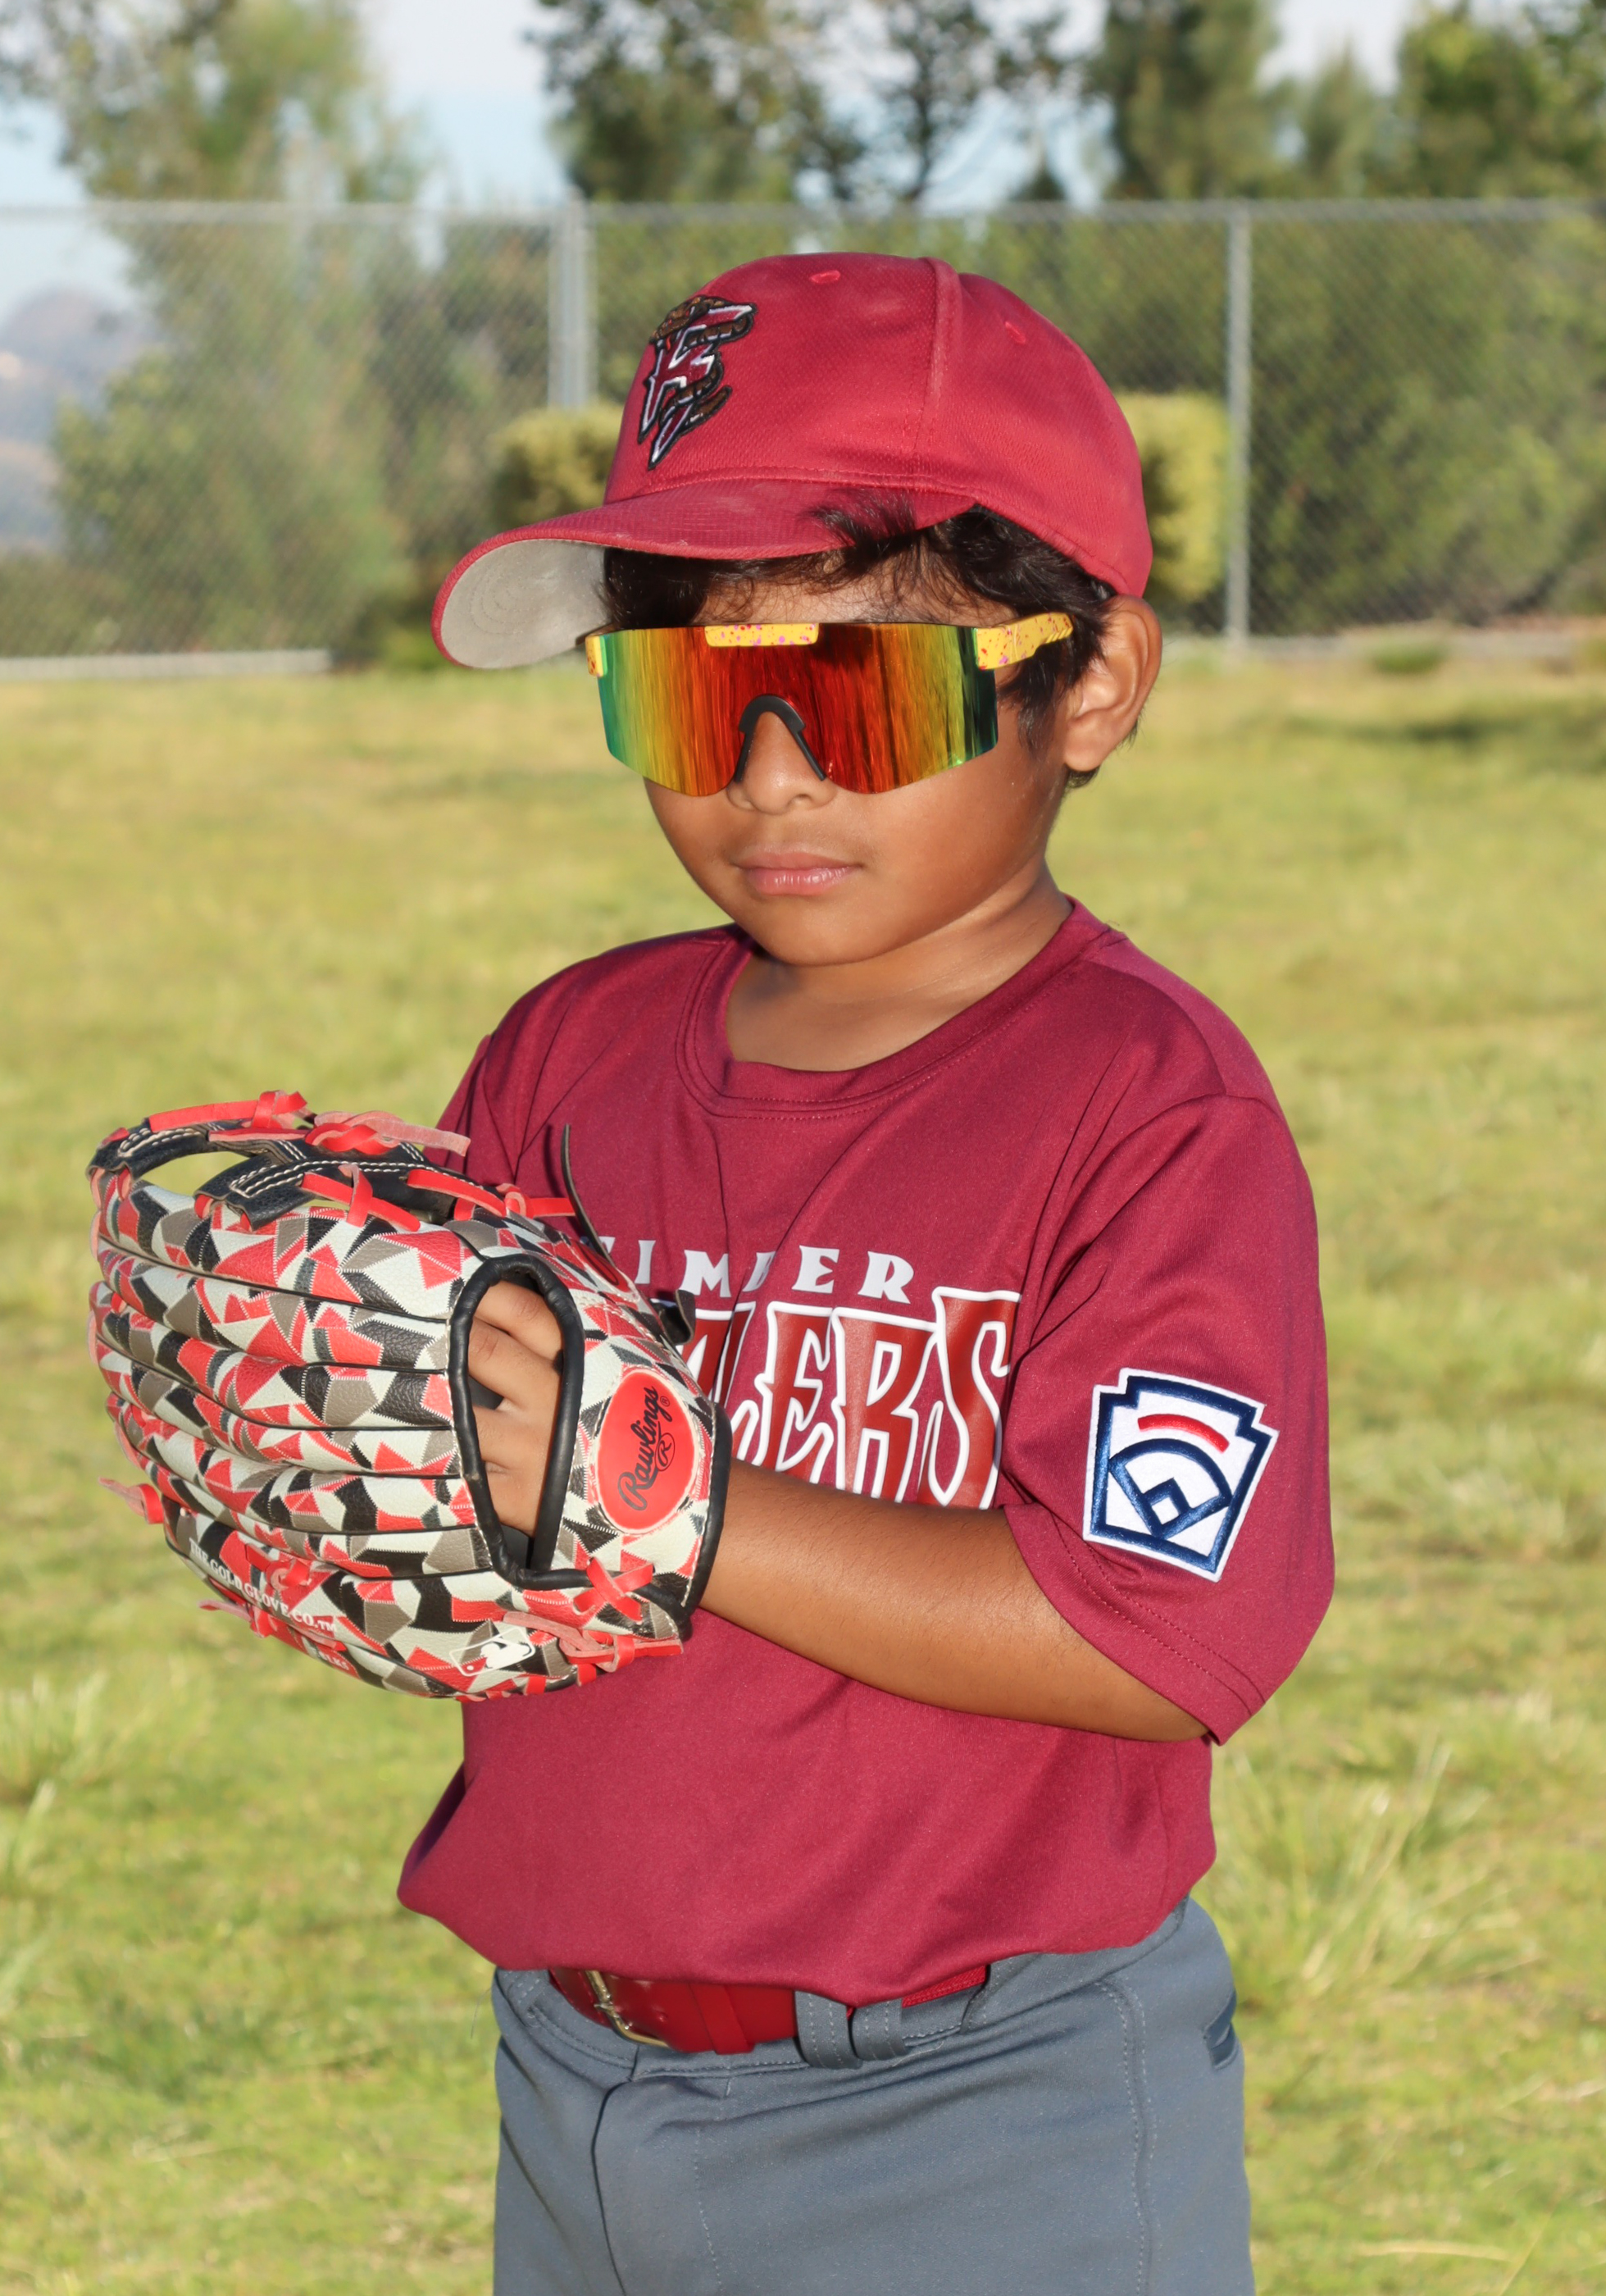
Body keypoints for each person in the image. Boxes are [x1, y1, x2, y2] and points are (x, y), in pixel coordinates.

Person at [403, 251, 1332, 2296]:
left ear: (1091, 682)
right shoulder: (567, 1056)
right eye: (682, 691)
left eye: (857, 688)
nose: (763, 773)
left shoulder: (1145, 1111)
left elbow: (1153, 1630)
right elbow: (472, 1517)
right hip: (574, 2067)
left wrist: (661, 1491)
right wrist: (333, 1442)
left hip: (981, 2108)